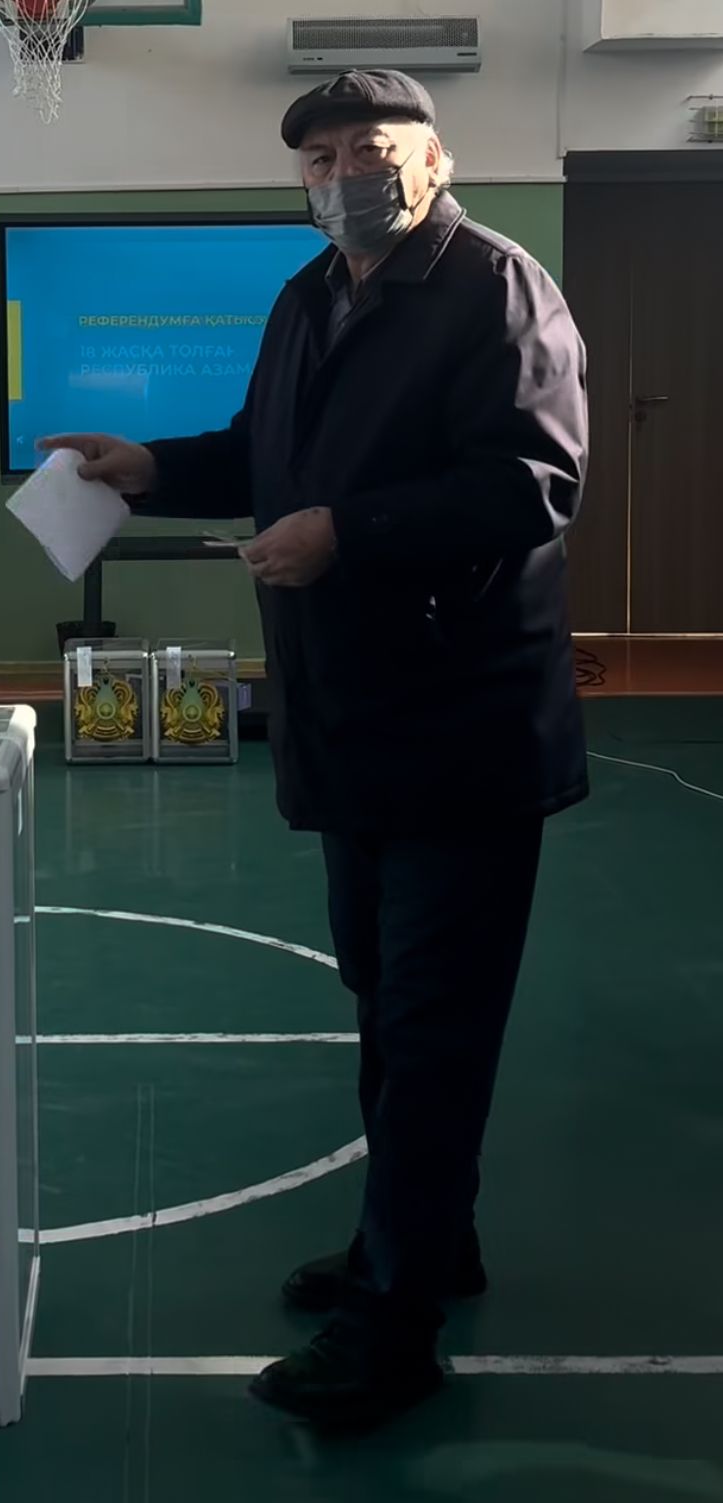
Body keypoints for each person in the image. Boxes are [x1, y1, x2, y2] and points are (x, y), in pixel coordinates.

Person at [43, 68, 588, 1433]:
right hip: (348, 721)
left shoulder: (497, 289)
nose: (344, 172)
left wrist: (348, 533)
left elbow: (533, 482)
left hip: (460, 728)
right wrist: (151, 468)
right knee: (385, 1004)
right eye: (322, 155)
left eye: (371, 148)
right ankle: (426, 1243)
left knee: (431, 1024)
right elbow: (268, 452)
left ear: (434, 158)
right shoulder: (307, 296)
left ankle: (392, 1333)